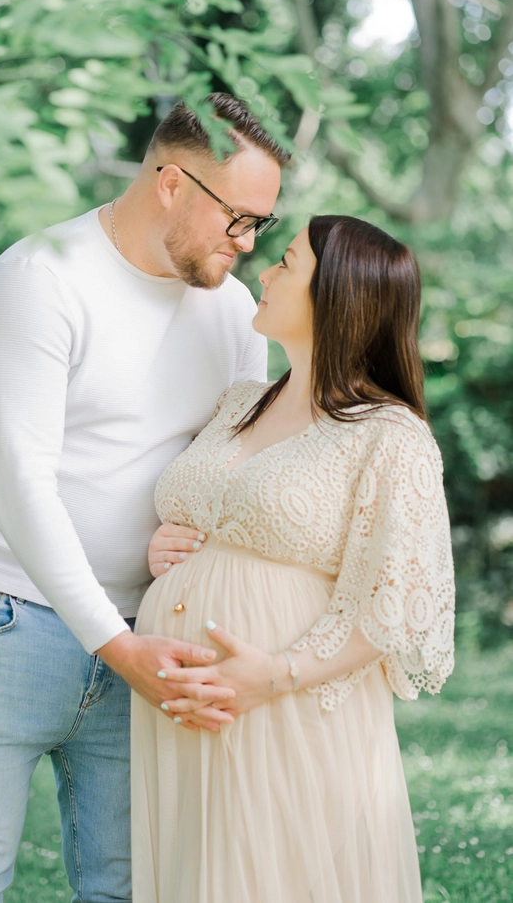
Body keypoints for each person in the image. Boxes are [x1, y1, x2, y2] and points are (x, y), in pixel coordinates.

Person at [0, 94, 291, 903]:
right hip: (7, 616)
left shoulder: (233, 310)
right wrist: (117, 649)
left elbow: (228, 465)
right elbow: (21, 483)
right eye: (236, 218)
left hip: (154, 625)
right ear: (171, 181)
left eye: (261, 223)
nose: (247, 242)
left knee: (125, 885)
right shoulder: (40, 279)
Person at [131, 216, 455, 903]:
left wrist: (275, 674)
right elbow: (210, 511)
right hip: (186, 702)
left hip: (287, 702)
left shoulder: (390, 435)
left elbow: (394, 605)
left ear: (336, 296)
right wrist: (168, 543)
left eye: (286, 262)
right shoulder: (241, 403)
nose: (265, 271)